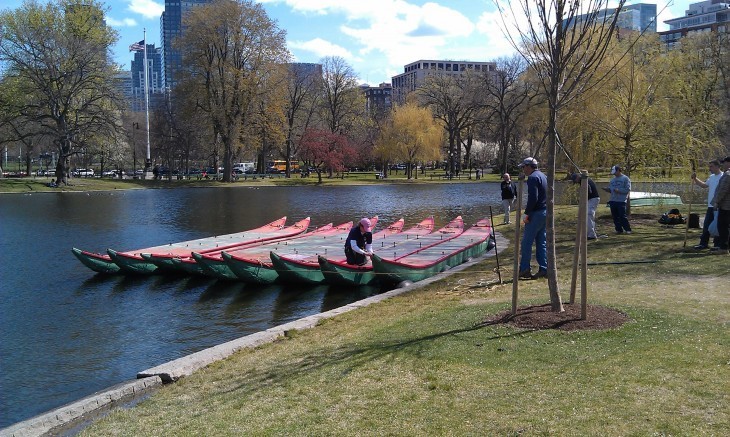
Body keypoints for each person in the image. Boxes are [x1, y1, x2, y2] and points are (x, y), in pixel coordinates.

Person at [518, 157, 547, 279]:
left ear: (529, 166)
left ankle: (524, 269)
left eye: (524, 167)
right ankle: (544, 268)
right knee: (541, 242)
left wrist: (527, 213)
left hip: (536, 213)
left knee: (526, 243)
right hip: (545, 212)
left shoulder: (533, 178)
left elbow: (533, 198)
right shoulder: (543, 176)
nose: (523, 170)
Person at [691, 159, 723, 250]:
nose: (710, 168)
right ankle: (703, 243)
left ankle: (717, 244)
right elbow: (704, 185)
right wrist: (695, 179)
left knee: (717, 226)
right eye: (709, 166)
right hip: (710, 206)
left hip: (719, 206)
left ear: (717, 166)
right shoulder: (712, 177)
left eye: (711, 166)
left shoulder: (723, 176)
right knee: (706, 225)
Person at [567, 173, 601, 240]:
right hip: (590, 199)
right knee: (587, 216)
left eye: (575, 180)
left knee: (588, 214)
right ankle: (589, 233)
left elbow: (589, 192)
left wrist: (583, 199)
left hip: (593, 199)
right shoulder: (582, 180)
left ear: (577, 177)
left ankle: (591, 235)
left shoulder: (585, 181)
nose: (576, 182)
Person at [710, 156, 730, 255]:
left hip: (726, 205)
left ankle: (724, 248)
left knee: (723, 226)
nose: (723, 165)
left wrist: (716, 202)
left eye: (724, 162)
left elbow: (723, 190)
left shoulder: (728, 174)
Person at [604, 165, 632, 234]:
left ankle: (627, 229)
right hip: (613, 200)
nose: (614, 174)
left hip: (621, 201)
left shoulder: (625, 179)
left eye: (615, 172)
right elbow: (611, 190)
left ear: (619, 170)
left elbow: (627, 189)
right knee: (615, 216)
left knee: (622, 216)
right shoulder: (612, 180)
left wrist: (619, 190)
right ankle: (618, 230)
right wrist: (607, 190)